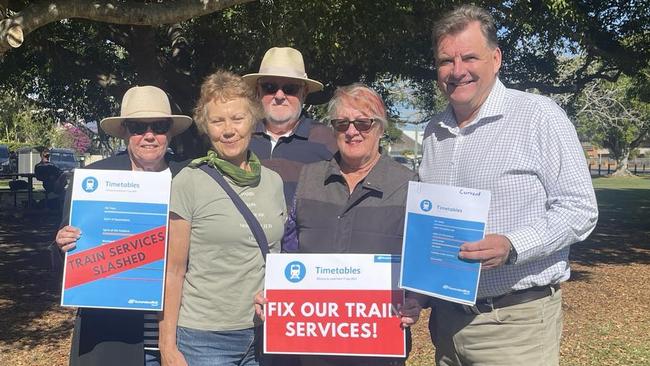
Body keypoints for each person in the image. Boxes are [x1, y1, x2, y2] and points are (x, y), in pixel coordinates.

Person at [419, 5, 599, 365]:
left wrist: (513, 246)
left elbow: (580, 209)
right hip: (447, 323)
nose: (457, 71)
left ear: (496, 58)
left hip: (515, 325)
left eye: (469, 57)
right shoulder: (432, 131)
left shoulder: (538, 116)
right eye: (445, 60)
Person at [256, 84, 425, 366]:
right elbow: (289, 250)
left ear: (381, 129)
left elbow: (420, 261)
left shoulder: (408, 185)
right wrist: (275, 292)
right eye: (342, 123)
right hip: (311, 347)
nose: (352, 131)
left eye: (363, 123)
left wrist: (416, 300)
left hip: (378, 346)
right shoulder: (309, 179)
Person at [53, 85, 193, 366]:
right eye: (139, 127)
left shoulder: (190, 176)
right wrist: (62, 245)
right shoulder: (94, 179)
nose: (150, 135)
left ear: (170, 131)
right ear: (126, 131)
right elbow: (64, 265)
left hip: (181, 329)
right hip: (111, 332)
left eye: (160, 126)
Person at [159, 70, 286, 366]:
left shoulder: (273, 182)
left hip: (264, 334)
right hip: (204, 338)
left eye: (237, 118)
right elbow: (173, 270)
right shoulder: (188, 181)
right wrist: (167, 346)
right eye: (217, 121)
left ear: (253, 120)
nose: (228, 130)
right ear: (207, 127)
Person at [243, 47, 337, 207]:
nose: (279, 96)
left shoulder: (328, 141)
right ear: (258, 91)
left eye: (290, 88)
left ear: (304, 93)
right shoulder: (240, 137)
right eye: (270, 87)